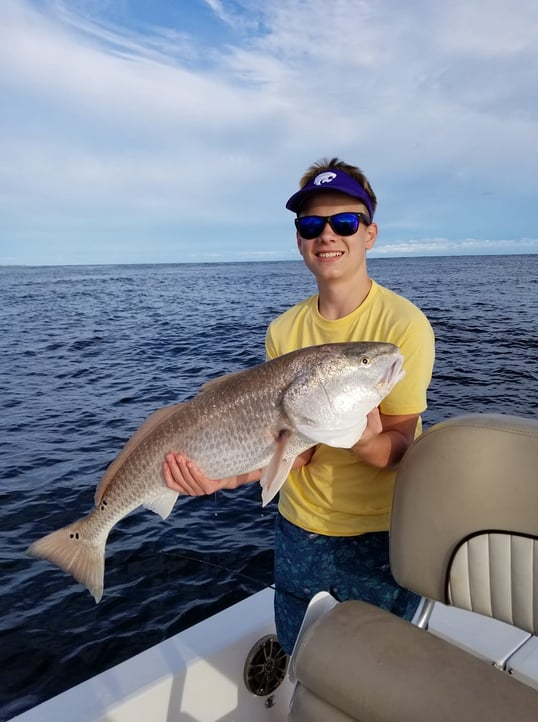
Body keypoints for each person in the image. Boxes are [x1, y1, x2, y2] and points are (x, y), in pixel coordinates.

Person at [163, 158, 435, 654]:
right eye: (311, 225)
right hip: (297, 529)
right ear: (299, 240)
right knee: (302, 657)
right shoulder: (284, 331)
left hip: (378, 535)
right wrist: (230, 476)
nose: (327, 235)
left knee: (380, 673)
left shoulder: (404, 327)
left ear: (369, 234)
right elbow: (296, 449)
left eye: (344, 222)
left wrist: (368, 440)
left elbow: (400, 446)